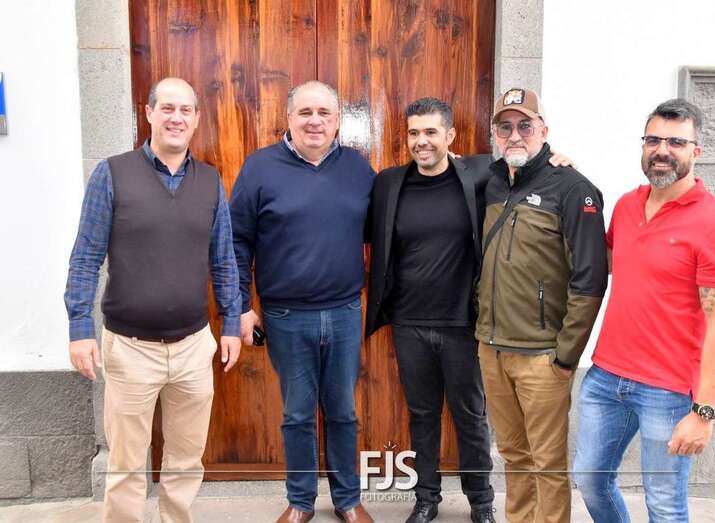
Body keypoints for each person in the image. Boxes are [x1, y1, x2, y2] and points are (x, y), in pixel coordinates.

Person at [64, 77, 242, 523]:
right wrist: (80, 328)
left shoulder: (210, 181)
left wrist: (231, 324)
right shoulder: (112, 174)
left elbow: (223, 259)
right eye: (167, 108)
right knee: (126, 463)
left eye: (185, 110)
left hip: (193, 347)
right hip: (130, 350)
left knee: (186, 459)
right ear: (148, 114)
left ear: (196, 119)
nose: (176, 118)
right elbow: (85, 257)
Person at [573, 99, 715, 523]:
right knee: (590, 480)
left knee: (665, 504)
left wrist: (703, 413)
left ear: (696, 151)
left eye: (675, 142)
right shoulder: (627, 206)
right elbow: (603, 264)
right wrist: (564, 179)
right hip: (607, 376)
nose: (662, 150)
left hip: (668, 391)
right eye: (653, 140)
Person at [230, 81, 374, 523]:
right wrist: (241, 306)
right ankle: (300, 501)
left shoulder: (358, 168)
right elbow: (237, 241)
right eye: (306, 112)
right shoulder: (259, 168)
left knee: (343, 412)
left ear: (337, 121)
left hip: (345, 312)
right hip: (286, 316)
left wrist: (457, 168)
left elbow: (390, 220)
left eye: (324, 113)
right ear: (289, 117)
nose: (315, 121)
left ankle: (348, 500)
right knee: (296, 413)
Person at [474, 88, 608, 523]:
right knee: (513, 453)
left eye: (525, 125)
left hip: (542, 356)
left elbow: (590, 279)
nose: (515, 135)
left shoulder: (573, 188)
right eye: (505, 127)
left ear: (543, 130)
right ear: (495, 133)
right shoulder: (492, 181)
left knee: (546, 462)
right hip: (492, 348)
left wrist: (566, 355)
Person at [366, 97, 496, 523]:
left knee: (470, 416)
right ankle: (426, 499)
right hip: (409, 323)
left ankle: (481, 502)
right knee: (422, 416)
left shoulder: (479, 174)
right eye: (414, 133)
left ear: (450, 136)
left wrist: (559, 160)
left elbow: (527, 166)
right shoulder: (389, 183)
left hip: (461, 324)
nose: (421, 141)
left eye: (430, 132)